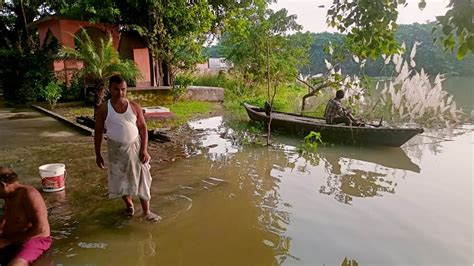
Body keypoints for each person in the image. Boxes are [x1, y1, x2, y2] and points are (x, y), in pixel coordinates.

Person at [94, 74, 160, 222]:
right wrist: (98, 154)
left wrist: (144, 149)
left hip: (136, 147)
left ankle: (146, 211)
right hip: (115, 149)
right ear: (109, 89)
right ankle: (129, 205)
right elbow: (98, 132)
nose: (120, 93)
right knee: (120, 178)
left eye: (123, 89)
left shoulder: (134, 107)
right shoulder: (104, 109)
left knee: (143, 177)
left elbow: (143, 128)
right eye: (116, 89)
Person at [0, 167, 52, 265]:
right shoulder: (8, 196)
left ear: (3, 185)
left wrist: (7, 241)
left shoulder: (29, 194)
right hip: (13, 240)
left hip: (34, 240)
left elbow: (40, 228)